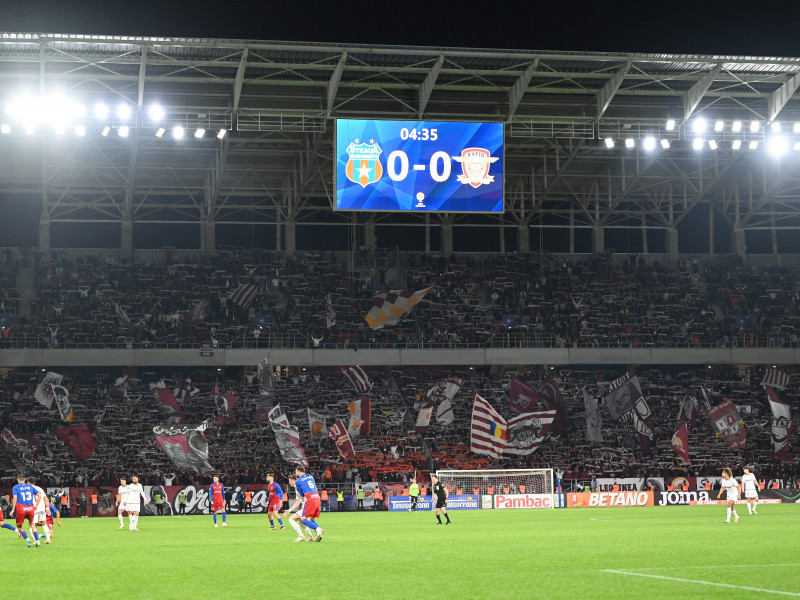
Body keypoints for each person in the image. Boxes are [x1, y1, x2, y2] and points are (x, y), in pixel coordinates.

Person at [287, 466, 323, 542]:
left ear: (298, 472)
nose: (296, 473)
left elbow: (302, 494)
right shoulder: (310, 476)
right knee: (312, 519)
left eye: (296, 471)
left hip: (310, 499)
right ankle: (317, 533)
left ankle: (317, 529)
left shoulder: (298, 481)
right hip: (317, 497)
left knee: (303, 520)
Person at [10, 474, 40, 547]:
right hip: (30, 509)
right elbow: (39, 495)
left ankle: (27, 539)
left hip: (21, 509)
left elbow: (15, 498)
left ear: (18, 480)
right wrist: (36, 505)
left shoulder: (15, 487)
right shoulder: (30, 486)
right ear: (25, 479)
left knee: (19, 526)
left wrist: (13, 509)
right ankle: (37, 541)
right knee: (32, 524)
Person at [28, 477, 52, 545]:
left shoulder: (28, 489)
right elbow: (46, 499)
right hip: (42, 508)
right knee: (44, 523)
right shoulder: (40, 488)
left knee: (31, 525)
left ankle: (35, 541)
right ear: (34, 482)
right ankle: (48, 540)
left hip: (33, 508)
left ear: (28, 482)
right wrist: (47, 507)